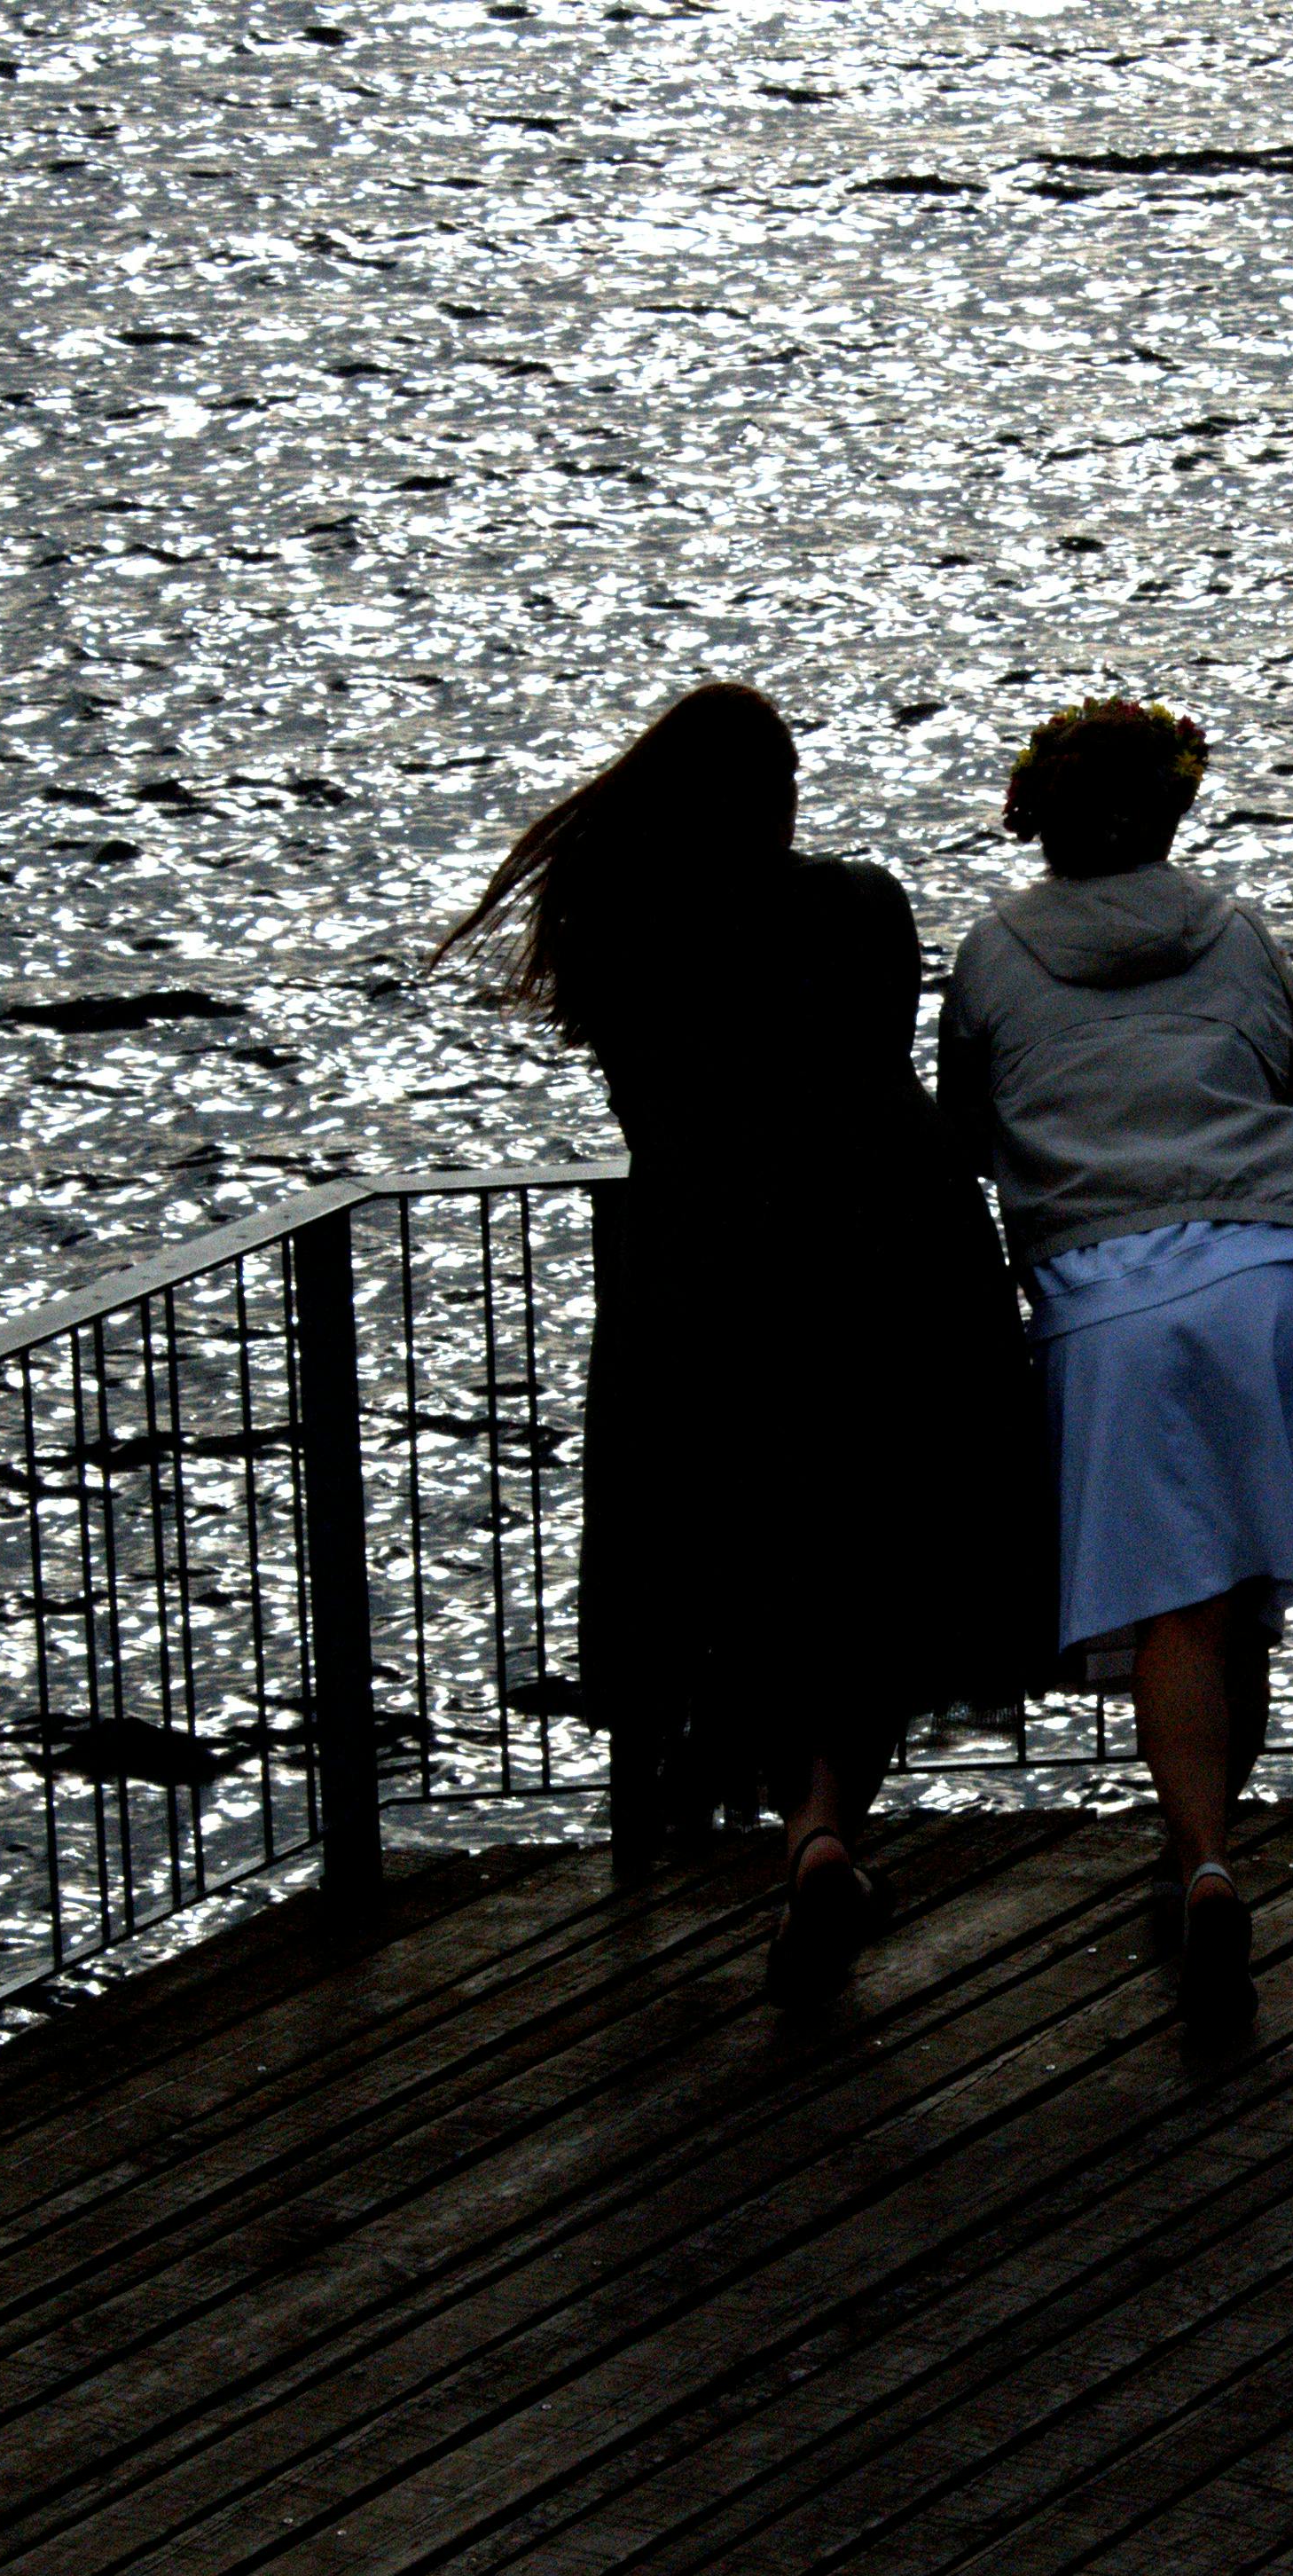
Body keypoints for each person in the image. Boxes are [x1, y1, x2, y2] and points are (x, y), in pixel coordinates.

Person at [440, 680, 1035, 1996]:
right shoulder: (857, 905)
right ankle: (828, 1820)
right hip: (896, 1259)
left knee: (745, 1559)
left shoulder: (615, 924)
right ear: (776, 796)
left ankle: (803, 1830)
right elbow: (883, 1049)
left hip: (703, 1275)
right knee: (880, 1558)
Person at [940, 695, 1293, 2026]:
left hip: (1109, 1297)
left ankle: (1199, 1856)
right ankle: (1198, 1845)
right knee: (1232, 1591)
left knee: (1175, 1607)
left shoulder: (990, 955)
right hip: (1262, 1277)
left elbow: (966, 1127)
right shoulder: (1236, 932)